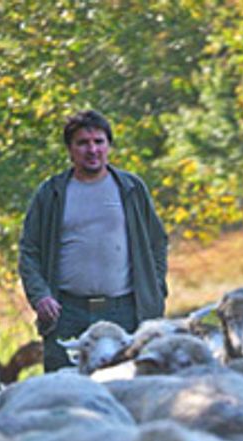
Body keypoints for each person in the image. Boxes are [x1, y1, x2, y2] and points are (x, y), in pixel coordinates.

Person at [18, 109, 169, 372]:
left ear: (109, 146)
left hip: (125, 311)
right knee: (65, 391)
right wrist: (41, 296)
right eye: (82, 143)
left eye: (99, 142)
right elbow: (29, 251)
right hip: (66, 313)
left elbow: (157, 243)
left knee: (128, 387)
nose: (92, 150)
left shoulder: (131, 189)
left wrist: (154, 290)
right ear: (70, 149)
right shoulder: (51, 193)